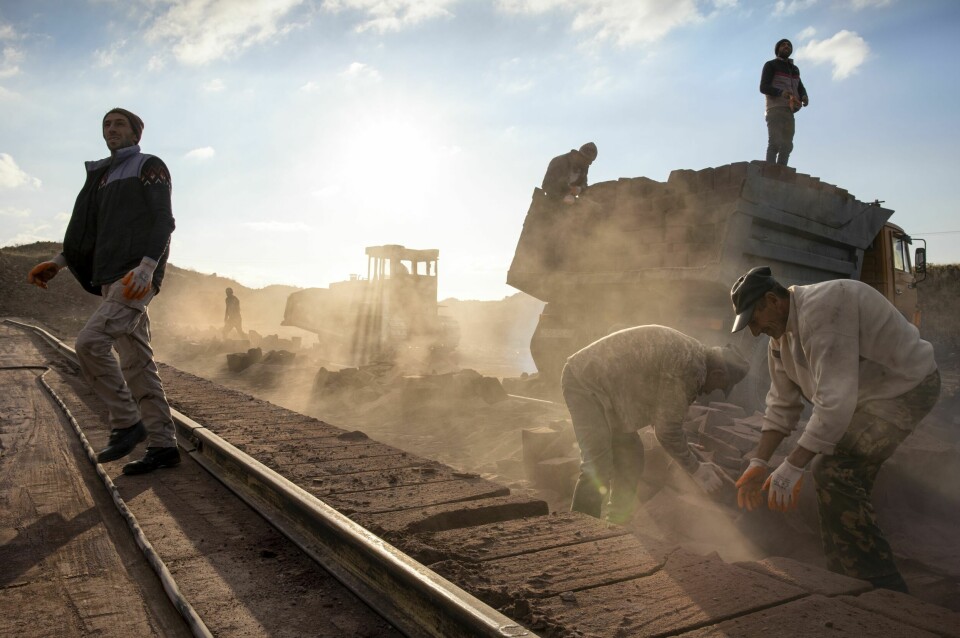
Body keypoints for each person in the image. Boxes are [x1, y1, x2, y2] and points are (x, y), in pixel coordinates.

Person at [729, 266, 940, 593]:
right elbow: (782, 405)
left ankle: (884, 588)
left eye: (754, 321)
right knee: (836, 475)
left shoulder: (823, 312)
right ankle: (844, 575)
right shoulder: (780, 336)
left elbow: (835, 402)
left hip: (907, 387)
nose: (755, 332)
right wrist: (759, 462)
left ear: (772, 300)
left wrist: (792, 465)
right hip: (866, 397)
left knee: (834, 470)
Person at [27, 107, 179, 475]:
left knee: (89, 343)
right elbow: (89, 231)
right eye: (106, 125)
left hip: (134, 277)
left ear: (135, 133)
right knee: (138, 365)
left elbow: (163, 219)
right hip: (111, 276)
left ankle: (127, 422)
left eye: (119, 123)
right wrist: (59, 262)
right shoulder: (102, 176)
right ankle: (163, 447)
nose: (111, 129)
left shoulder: (148, 165)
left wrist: (147, 266)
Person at [561, 325, 749, 524]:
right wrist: (696, 469)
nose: (712, 392)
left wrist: (684, 447)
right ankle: (577, 532)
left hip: (611, 395)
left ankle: (615, 525)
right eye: (720, 387)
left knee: (631, 457)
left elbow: (663, 412)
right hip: (585, 383)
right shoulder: (691, 367)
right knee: (598, 462)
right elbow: (667, 430)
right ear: (718, 373)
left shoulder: (693, 356)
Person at [760, 38, 808, 166]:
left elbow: (800, 86)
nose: (786, 46)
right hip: (775, 109)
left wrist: (804, 96)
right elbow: (763, 87)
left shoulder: (794, 69)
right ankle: (769, 171)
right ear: (777, 49)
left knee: (787, 144)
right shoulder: (771, 65)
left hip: (789, 110)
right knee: (775, 142)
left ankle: (782, 171)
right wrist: (781, 93)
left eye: (789, 45)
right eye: (783, 45)